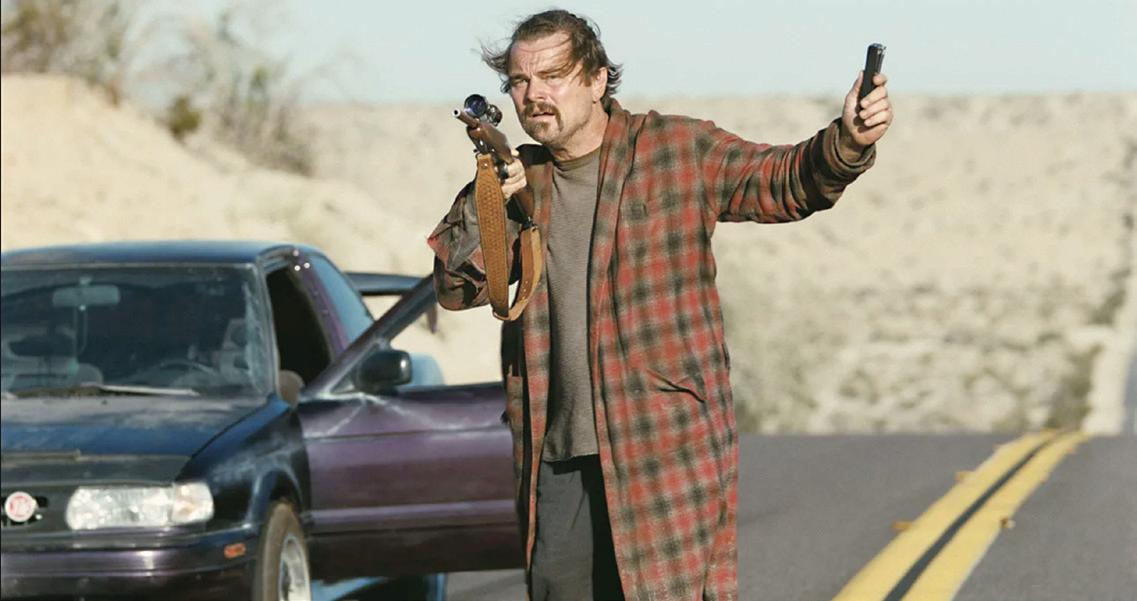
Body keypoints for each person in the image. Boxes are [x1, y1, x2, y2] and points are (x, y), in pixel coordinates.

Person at [427, 9, 893, 600]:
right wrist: (486, 199)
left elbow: (786, 181)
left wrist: (847, 142)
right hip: (558, 454)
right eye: (520, 81)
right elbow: (455, 288)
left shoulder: (674, 149)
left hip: (662, 447)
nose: (533, 94)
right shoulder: (522, 180)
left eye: (552, 76)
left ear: (597, 79)